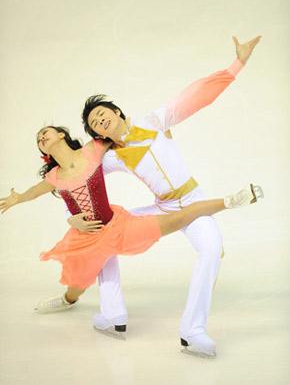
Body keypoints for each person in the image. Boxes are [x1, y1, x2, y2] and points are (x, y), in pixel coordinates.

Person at [69, 35, 262, 357]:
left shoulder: (154, 122)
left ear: (117, 112)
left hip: (196, 202)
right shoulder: (110, 157)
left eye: (103, 113)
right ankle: (113, 313)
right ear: (98, 134)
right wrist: (72, 213)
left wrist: (237, 63)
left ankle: (193, 330)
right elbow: (76, 181)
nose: (100, 119)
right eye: (94, 123)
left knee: (211, 251)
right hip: (162, 209)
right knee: (106, 234)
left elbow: (196, 96)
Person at [0, 126, 262, 353]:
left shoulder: (93, 149)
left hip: (116, 225)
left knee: (177, 218)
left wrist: (163, 136)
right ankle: (69, 301)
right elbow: (35, 192)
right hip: (86, 237)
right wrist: (19, 199)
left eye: (44, 132)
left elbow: (122, 136)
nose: (41, 137)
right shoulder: (53, 177)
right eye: (38, 138)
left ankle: (228, 201)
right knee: (76, 283)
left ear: (61, 134)